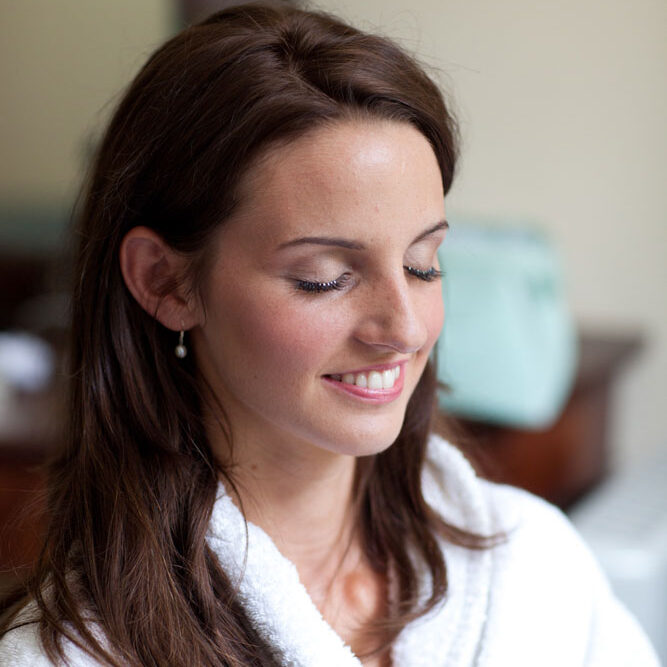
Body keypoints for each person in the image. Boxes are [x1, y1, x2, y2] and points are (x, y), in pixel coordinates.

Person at [0, 2, 660, 665]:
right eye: (325, 277)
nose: (403, 327)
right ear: (166, 282)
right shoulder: (71, 655)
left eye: (422, 264)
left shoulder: (529, 564)